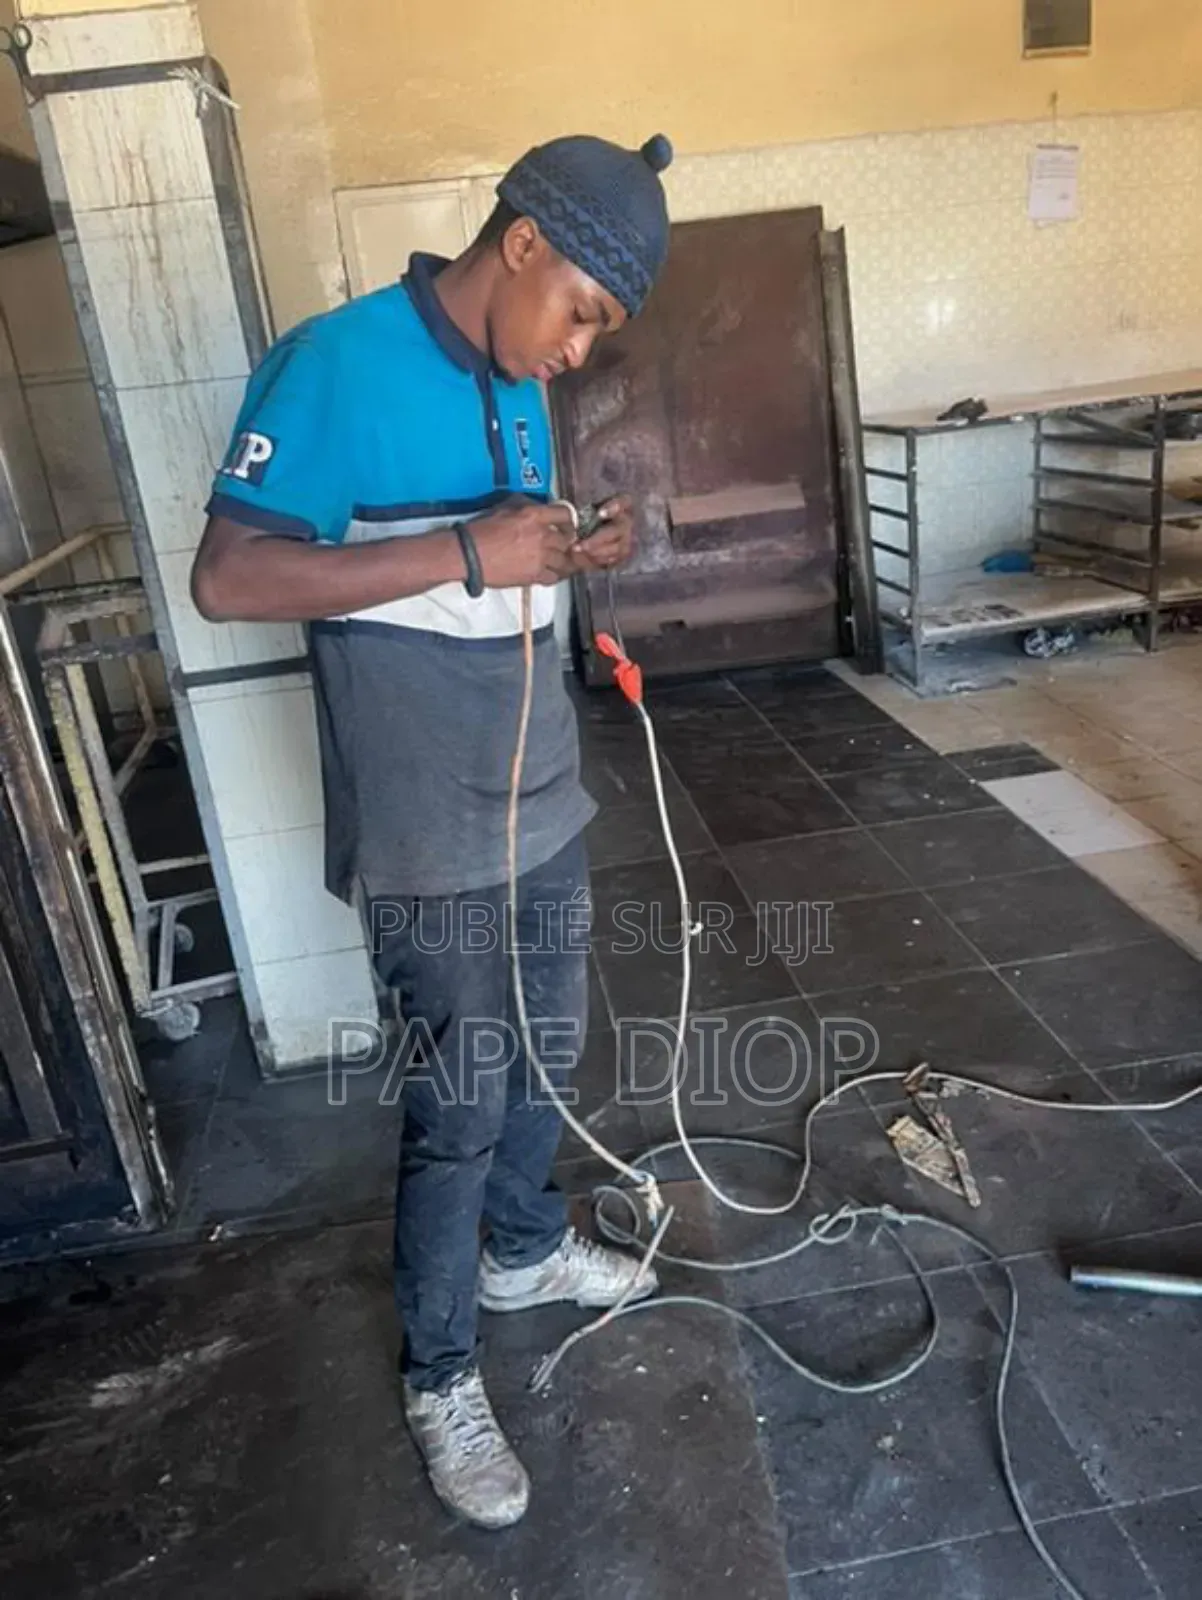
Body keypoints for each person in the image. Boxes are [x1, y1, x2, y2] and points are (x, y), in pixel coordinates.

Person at [190, 132, 676, 1529]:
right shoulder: (333, 362)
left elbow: (497, 559)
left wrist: (568, 547)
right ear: (522, 242)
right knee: (458, 1101)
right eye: (581, 309)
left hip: (537, 789)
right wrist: (471, 549)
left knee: (552, 1050)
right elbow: (230, 576)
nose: (579, 349)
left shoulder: (517, 385)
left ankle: (522, 1251)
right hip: (420, 823)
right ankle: (440, 1369)